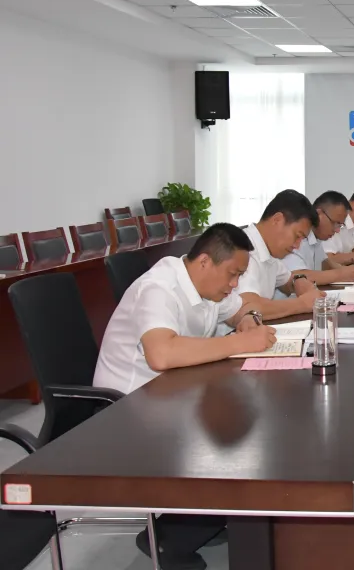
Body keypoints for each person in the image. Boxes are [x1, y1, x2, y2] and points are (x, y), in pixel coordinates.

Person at [92, 223, 278, 569]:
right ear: (205, 261)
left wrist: (250, 319)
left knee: (250, 418)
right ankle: (171, 538)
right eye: (233, 274)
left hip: (172, 395)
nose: (235, 284)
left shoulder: (207, 287)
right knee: (236, 442)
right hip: (128, 409)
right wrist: (239, 342)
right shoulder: (158, 288)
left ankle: (212, 517)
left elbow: (239, 308)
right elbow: (161, 355)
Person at [229, 189, 325, 322]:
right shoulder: (243, 250)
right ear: (277, 220)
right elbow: (248, 307)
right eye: (297, 236)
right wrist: (302, 304)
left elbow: (287, 280)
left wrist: (299, 281)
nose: (297, 245)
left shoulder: (269, 251)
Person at [274, 191, 354, 296]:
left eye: (340, 225)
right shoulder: (297, 238)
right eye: (335, 223)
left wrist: (347, 271)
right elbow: (296, 276)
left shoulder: (316, 238)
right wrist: (339, 274)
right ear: (319, 214)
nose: (337, 230)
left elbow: (325, 262)